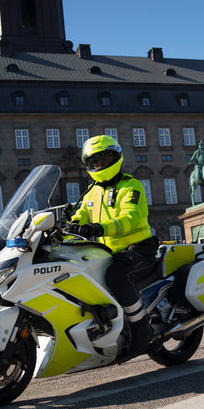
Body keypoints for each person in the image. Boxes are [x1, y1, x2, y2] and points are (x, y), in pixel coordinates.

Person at [70, 135, 159, 359]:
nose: (99, 166)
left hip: (137, 248)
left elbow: (131, 218)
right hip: (106, 252)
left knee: (116, 276)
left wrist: (99, 228)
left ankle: (141, 328)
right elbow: (80, 215)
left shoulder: (131, 185)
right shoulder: (92, 191)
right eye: (94, 162)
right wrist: (68, 225)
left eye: (103, 159)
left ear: (116, 158)